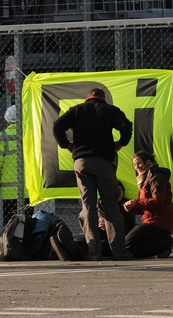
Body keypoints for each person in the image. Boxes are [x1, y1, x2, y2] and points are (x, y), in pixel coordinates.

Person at [52, 87, 133, 261]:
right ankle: (119, 251)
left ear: (88, 98)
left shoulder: (77, 110)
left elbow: (57, 125)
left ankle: (94, 251)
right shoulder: (110, 110)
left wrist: (67, 145)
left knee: (87, 207)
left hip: (81, 162)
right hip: (103, 162)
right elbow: (126, 126)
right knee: (111, 205)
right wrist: (120, 143)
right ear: (103, 99)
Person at [123, 151, 173, 259]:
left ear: (148, 162)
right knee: (127, 247)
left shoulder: (156, 178)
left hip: (159, 222)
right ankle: (159, 245)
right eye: (135, 165)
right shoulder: (144, 180)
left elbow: (157, 202)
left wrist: (135, 203)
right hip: (149, 221)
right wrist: (132, 208)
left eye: (139, 163)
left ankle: (164, 244)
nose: (137, 167)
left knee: (127, 245)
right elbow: (145, 207)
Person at [0, 106, 19, 226]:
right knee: (27, 222)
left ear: (6, 121)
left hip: (9, 190)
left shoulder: (2, 136)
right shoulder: (29, 135)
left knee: (10, 223)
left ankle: (9, 244)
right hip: (28, 189)